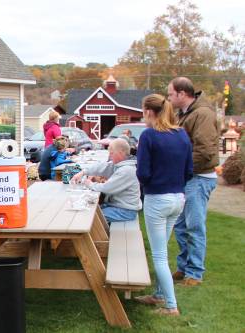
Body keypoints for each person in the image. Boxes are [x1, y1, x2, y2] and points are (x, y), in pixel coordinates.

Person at [134, 94, 193, 316]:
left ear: (149, 111)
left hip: (157, 199)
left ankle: (171, 306)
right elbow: (189, 170)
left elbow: (143, 172)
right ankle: (159, 294)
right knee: (162, 250)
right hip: (178, 198)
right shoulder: (182, 135)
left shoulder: (149, 136)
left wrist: (149, 183)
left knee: (158, 255)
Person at [168, 77, 219, 286]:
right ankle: (184, 267)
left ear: (182, 94)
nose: (168, 98)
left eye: (171, 94)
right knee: (180, 226)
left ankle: (195, 273)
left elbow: (204, 151)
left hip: (198, 177)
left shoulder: (203, 114)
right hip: (188, 178)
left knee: (194, 226)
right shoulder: (185, 114)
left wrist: (181, 169)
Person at [70, 138, 142, 224]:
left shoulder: (127, 170)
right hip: (117, 207)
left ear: (121, 152)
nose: (110, 156)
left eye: (111, 153)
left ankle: (99, 237)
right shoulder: (120, 164)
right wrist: (83, 172)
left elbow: (107, 188)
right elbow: (101, 167)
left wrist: (90, 184)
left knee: (89, 216)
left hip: (125, 211)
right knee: (90, 211)